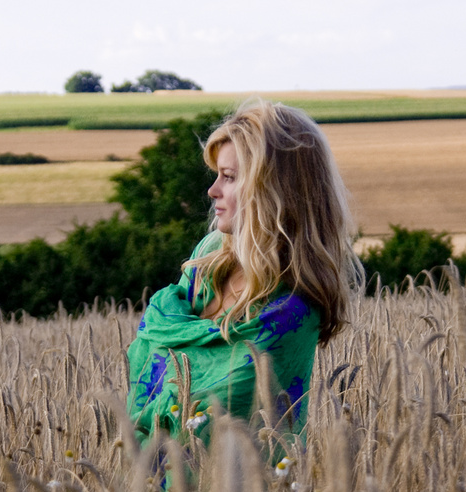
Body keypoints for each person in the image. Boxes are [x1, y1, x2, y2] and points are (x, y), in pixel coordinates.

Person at [126, 99, 362, 446]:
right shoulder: (207, 260)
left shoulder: (294, 306)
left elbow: (219, 400)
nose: (213, 191)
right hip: (149, 476)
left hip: (238, 489)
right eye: (217, 175)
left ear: (275, 190)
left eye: (230, 177)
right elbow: (153, 348)